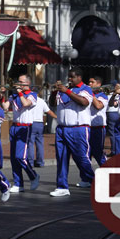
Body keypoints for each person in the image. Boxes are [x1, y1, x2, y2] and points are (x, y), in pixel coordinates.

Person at [49, 68, 95, 197]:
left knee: (81, 158)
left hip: (78, 128)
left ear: (79, 77)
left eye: (72, 77)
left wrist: (67, 91)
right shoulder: (64, 90)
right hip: (62, 128)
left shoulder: (86, 89)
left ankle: (96, 181)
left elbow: (84, 102)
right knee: (61, 158)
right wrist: (54, 93)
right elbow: (52, 104)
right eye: (69, 77)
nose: (69, 79)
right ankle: (62, 186)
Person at [2, 74, 40, 193]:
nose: (18, 83)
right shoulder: (14, 95)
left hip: (25, 127)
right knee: (14, 158)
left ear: (27, 83)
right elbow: (5, 107)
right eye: (18, 81)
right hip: (14, 127)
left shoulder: (32, 94)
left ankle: (33, 175)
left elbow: (26, 104)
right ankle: (19, 184)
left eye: (21, 82)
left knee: (20, 157)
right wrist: (3, 95)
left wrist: (19, 92)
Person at [27, 93, 56, 167]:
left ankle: (30, 162)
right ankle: (40, 161)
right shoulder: (42, 101)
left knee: (30, 143)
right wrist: (57, 117)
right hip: (40, 123)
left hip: (31, 122)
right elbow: (49, 112)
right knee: (40, 143)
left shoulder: (28, 101)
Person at [88, 76, 108, 166]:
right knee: (86, 153)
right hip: (87, 127)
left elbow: (98, 106)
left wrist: (91, 94)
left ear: (99, 84)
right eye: (89, 82)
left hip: (98, 127)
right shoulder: (87, 95)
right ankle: (87, 178)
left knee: (98, 152)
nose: (90, 84)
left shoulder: (103, 96)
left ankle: (107, 170)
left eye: (92, 82)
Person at [106, 80, 120, 156]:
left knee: (112, 134)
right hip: (118, 113)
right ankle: (117, 150)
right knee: (117, 133)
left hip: (111, 112)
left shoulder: (109, 93)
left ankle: (114, 151)